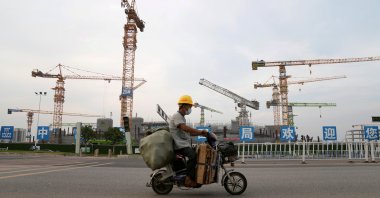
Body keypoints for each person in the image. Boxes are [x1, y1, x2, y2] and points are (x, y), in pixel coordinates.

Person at [169, 95, 208, 188]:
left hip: (183, 144)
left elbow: (187, 133)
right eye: (189, 106)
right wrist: (199, 131)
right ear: (183, 106)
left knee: (196, 155)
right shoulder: (177, 116)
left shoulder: (181, 117)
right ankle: (188, 179)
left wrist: (202, 134)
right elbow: (185, 128)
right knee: (193, 156)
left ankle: (192, 176)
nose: (190, 109)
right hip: (179, 145)